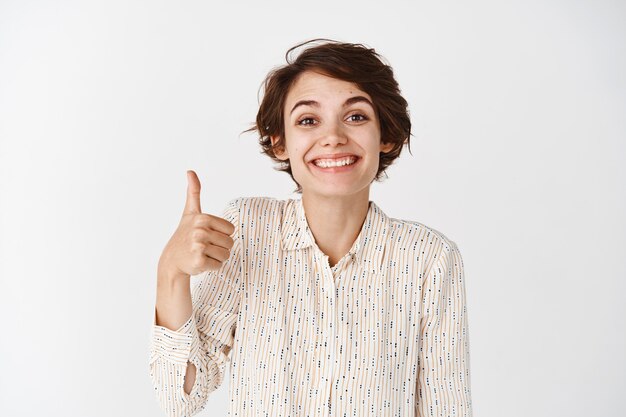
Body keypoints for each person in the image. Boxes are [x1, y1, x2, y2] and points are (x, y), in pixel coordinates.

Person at [149, 39, 473, 417]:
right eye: (308, 120)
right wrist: (170, 271)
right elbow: (180, 399)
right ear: (279, 141)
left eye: (355, 116)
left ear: (386, 134)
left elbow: (444, 408)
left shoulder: (430, 258)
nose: (333, 136)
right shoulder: (247, 230)